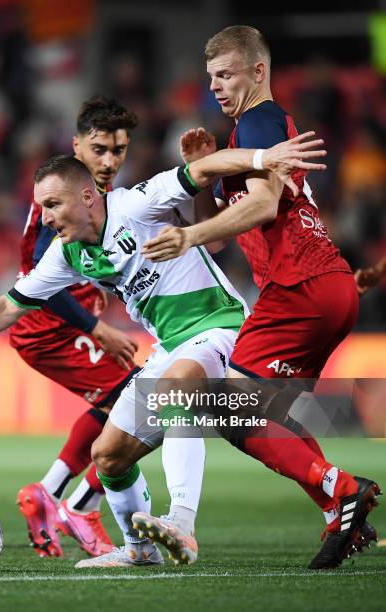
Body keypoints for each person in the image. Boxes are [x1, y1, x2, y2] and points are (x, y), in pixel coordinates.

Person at [0, 133, 329, 568]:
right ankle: (139, 549)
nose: (47, 217)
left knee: (179, 395)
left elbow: (202, 169)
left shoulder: (135, 203)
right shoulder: (66, 254)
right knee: (107, 455)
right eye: (42, 208)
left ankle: (182, 523)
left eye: (54, 205)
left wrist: (261, 159)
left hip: (219, 326)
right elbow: (7, 305)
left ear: (88, 196)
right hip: (169, 345)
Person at [141, 25, 381, 570]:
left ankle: (339, 489)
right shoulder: (244, 141)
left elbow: (266, 207)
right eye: (211, 78)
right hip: (327, 286)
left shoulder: (260, 119)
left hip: (298, 286)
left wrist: (187, 235)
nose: (217, 88)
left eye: (226, 75)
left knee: (229, 406)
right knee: (272, 413)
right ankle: (339, 510)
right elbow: (230, 230)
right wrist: (206, 186)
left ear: (258, 72)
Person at [10, 96, 141, 558]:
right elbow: (43, 281)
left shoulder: (91, 196)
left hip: (62, 323)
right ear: (77, 146)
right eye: (99, 148)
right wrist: (97, 327)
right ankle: (80, 507)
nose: (109, 161)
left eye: (119, 150)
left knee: (124, 402)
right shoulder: (60, 195)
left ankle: (50, 493)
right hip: (49, 325)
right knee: (139, 405)